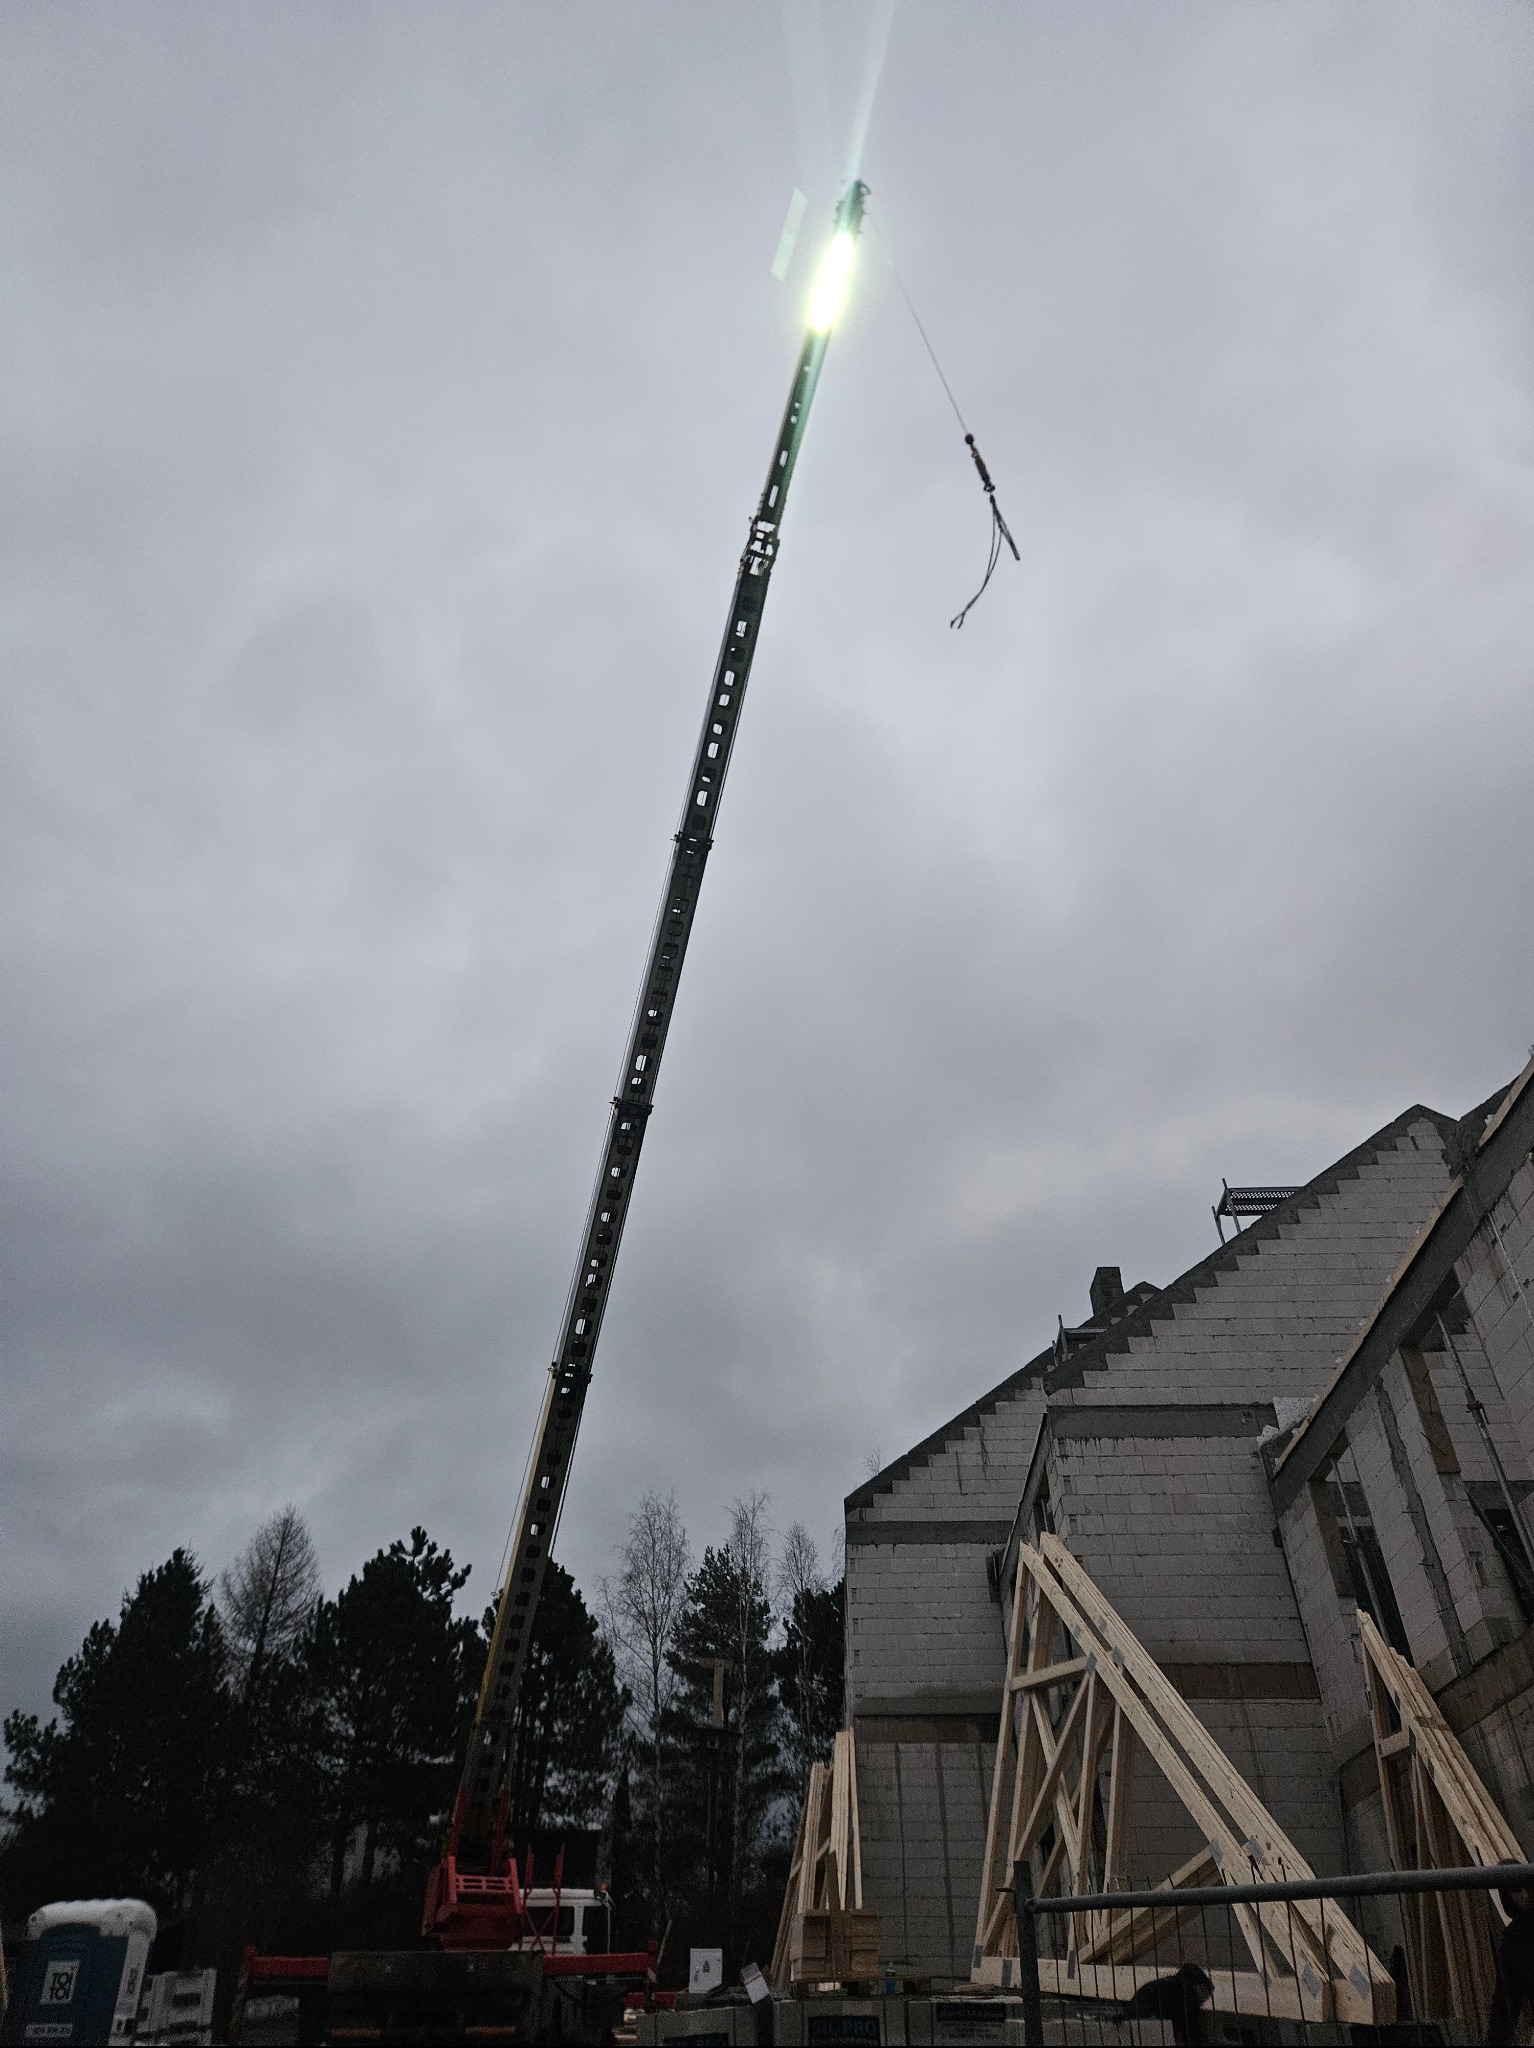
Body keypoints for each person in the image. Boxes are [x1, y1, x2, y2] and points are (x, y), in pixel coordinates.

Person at [1118, 1963, 1215, 2046]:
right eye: (1205, 1995)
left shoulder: (1163, 1985)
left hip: (1132, 2027)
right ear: (1199, 1986)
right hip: (1152, 2029)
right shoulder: (1187, 1993)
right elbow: (1191, 2029)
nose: (1203, 2001)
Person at [1488, 1886, 1534, 2046]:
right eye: (1516, 1890)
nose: (1524, 1896)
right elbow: (1506, 1999)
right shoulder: (1514, 1941)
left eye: (1524, 1888)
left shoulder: (1514, 1940)